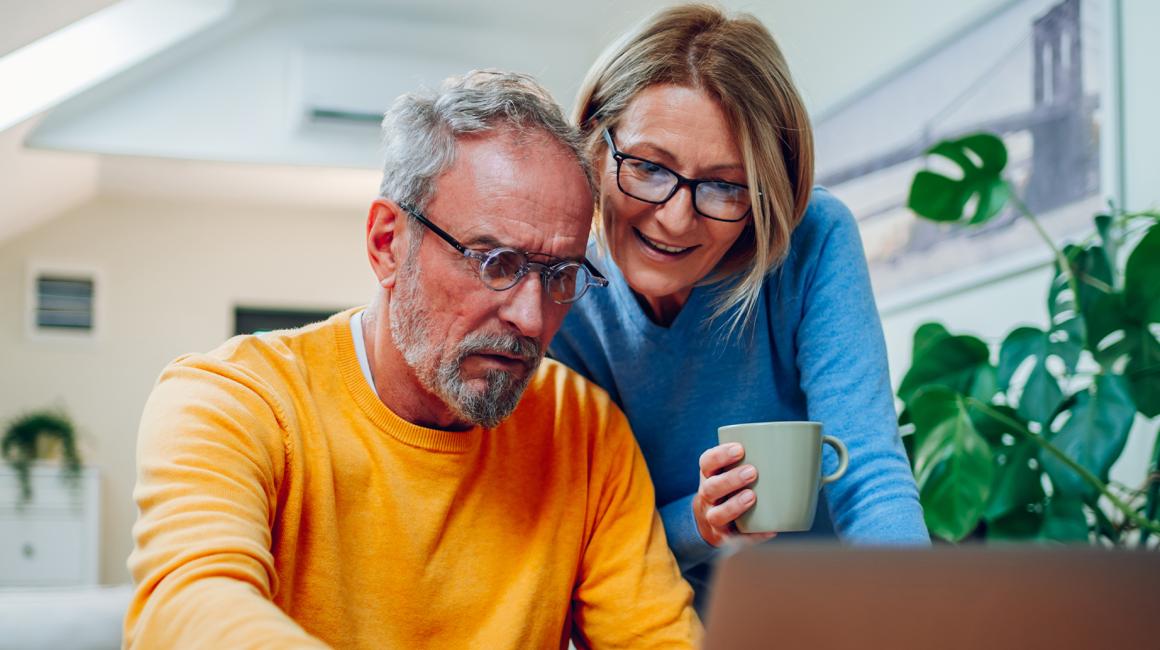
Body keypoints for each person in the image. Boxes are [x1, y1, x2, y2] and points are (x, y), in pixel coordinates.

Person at [124, 70, 700, 648]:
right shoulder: (233, 400)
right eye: (495, 262)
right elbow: (189, 608)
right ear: (387, 243)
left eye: (560, 275)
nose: (531, 318)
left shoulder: (583, 429)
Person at [549, 4, 930, 612]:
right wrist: (699, 523)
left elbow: (870, 476)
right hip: (668, 625)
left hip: (840, 609)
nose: (676, 218)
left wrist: (922, 616)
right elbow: (584, 549)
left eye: (725, 186)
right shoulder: (557, 291)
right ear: (594, 143)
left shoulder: (813, 240)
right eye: (647, 167)